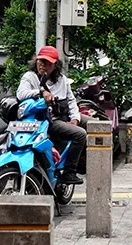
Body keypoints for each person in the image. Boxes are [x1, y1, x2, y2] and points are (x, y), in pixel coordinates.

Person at [16, 45, 85, 183]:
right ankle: (69, 172)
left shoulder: (62, 80)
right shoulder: (30, 77)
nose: (43, 65)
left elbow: (71, 100)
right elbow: (21, 94)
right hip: (48, 121)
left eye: (47, 63)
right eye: (40, 61)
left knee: (95, 124)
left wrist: (75, 118)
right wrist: (40, 92)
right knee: (80, 134)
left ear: (55, 65)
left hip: (64, 115)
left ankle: (82, 163)